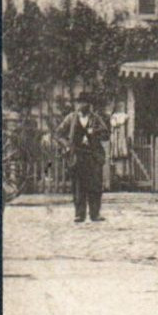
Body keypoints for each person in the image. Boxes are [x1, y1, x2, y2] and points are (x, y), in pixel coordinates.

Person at [56, 92, 109, 223]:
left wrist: (95, 132)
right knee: (78, 186)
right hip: (77, 156)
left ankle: (95, 214)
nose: (81, 105)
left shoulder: (96, 119)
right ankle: (79, 214)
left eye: (84, 103)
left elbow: (106, 134)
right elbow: (58, 134)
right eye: (79, 103)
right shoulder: (70, 118)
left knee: (95, 185)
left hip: (93, 155)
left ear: (89, 105)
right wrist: (67, 146)